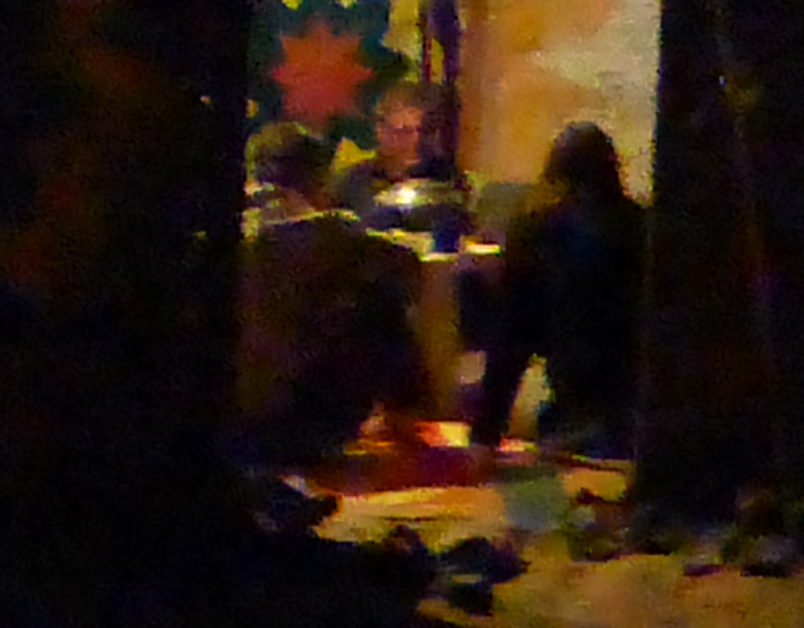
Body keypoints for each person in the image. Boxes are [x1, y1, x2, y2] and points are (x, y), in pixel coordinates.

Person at [231, 118, 435, 473]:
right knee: (379, 303)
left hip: (229, 424)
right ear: (321, 180)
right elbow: (408, 271)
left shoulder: (233, 243)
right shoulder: (350, 245)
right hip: (319, 424)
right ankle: (402, 416)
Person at [473, 118, 647, 464]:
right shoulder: (645, 227)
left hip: (575, 416)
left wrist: (484, 435)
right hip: (641, 418)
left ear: (554, 175)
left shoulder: (540, 232)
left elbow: (512, 337)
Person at [327, 79, 472, 242]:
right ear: (381, 130)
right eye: (404, 131)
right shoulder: (354, 181)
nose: (416, 141)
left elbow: (460, 231)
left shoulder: (446, 178)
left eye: (425, 132)